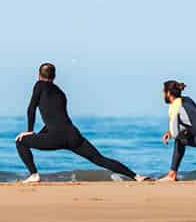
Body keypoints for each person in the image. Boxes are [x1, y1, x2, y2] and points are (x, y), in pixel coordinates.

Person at [15, 63, 147, 183]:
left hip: (56, 137)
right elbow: (56, 118)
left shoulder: (39, 85)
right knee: (99, 159)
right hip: (73, 135)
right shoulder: (61, 93)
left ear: (38, 75)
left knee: (20, 141)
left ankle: (34, 175)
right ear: (54, 76)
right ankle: (136, 176)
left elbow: (31, 108)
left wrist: (29, 131)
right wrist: (40, 134)